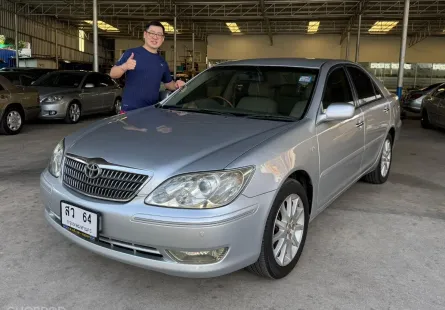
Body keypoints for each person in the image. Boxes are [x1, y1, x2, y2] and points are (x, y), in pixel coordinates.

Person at [110, 21, 185, 113]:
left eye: (159, 34)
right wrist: (124, 66)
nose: (155, 37)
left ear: (163, 39)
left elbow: (168, 84)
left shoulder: (162, 62)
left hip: (151, 111)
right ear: (145, 34)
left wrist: (177, 84)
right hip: (130, 111)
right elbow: (113, 74)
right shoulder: (132, 53)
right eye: (152, 33)